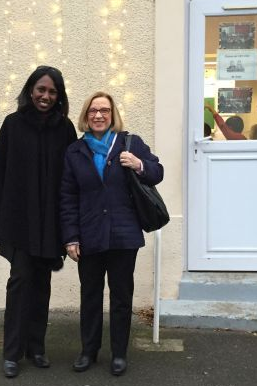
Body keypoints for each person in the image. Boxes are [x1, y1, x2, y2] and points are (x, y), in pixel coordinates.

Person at [0, 66, 77, 378]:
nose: (45, 96)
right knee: (19, 282)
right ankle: (12, 353)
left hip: (49, 222)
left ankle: (36, 347)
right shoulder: (13, 124)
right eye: (41, 90)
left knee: (42, 285)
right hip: (19, 220)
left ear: (59, 96)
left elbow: (71, 177)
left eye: (52, 92)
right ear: (30, 91)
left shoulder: (65, 129)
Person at [60, 91, 164, 376]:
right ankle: (88, 351)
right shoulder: (74, 151)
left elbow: (158, 171)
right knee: (90, 295)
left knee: (121, 296)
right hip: (89, 235)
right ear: (85, 115)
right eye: (93, 111)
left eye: (104, 110)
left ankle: (119, 353)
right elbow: (68, 197)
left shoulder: (131, 144)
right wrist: (71, 237)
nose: (98, 115)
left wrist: (139, 165)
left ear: (112, 114)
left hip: (122, 234)